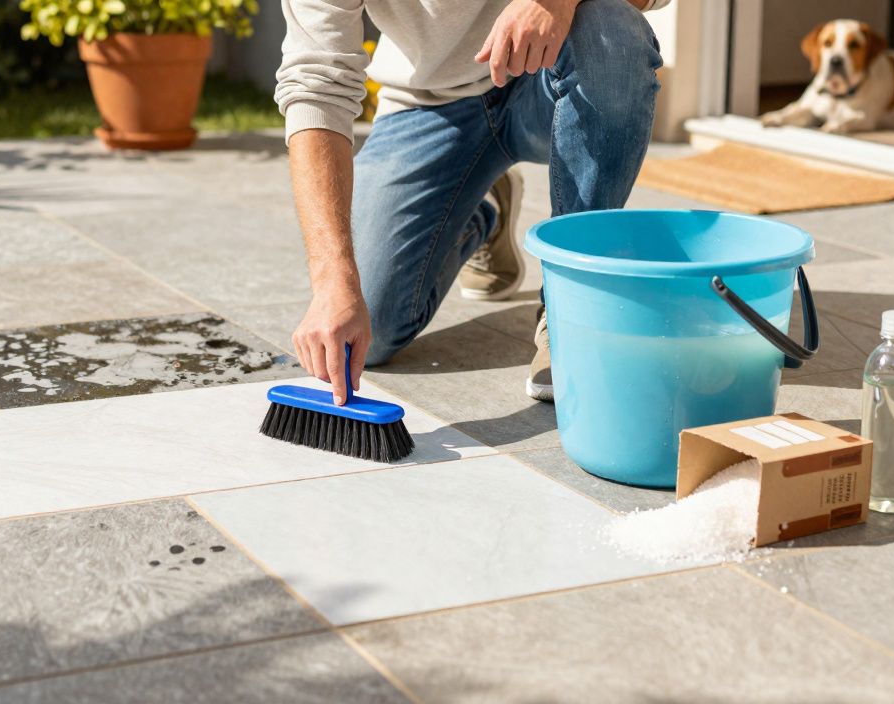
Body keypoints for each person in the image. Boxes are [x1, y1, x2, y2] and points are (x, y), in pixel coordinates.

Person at [276, 0, 667, 405]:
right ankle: (480, 209)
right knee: (370, 326)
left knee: (613, 32)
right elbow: (315, 84)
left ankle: (570, 314)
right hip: (430, 104)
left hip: (549, 76)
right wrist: (332, 281)